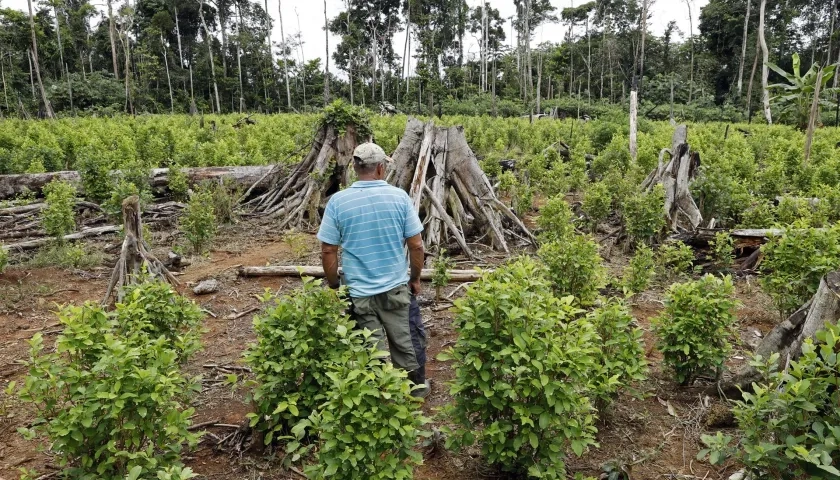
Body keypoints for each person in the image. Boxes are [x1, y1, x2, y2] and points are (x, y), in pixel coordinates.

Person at [317, 142, 430, 397]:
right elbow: (416, 245)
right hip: (396, 288)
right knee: (408, 341)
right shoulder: (399, 197)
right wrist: (415, 278)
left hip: (359, 292)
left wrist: (335, 284)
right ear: (381, 168)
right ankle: (416, 390)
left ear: (355, 168)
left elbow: (328, 250)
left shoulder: (338, 202)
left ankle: (378, 397)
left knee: (370, 347)